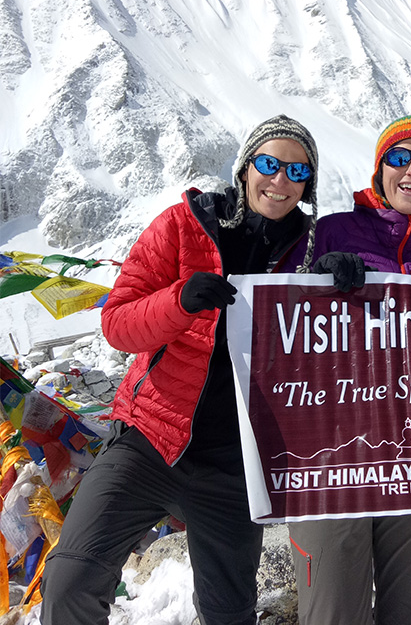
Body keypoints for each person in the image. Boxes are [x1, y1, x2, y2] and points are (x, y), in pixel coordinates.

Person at [40, 115, 319, 625]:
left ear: (308, 184)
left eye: (297, 172)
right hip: (149, 440)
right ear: (245, 167)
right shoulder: (183, 225)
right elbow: (118, 324)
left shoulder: (311, 250)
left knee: (229, 611)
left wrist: (348, 277)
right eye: (269, 164)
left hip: (236, 464)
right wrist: (178, 301)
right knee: (71, 580)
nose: (280, 181)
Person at [280, 115, 411, 625]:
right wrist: (312, 280)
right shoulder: (332, 230)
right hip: (331, 454)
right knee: (334, 609)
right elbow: (274, 313)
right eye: (399, 157)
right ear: (379, 167)